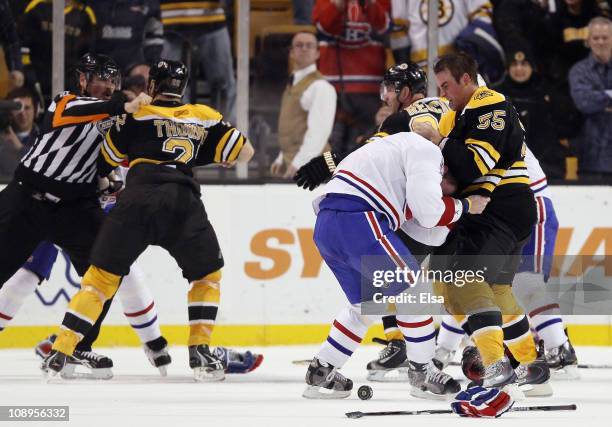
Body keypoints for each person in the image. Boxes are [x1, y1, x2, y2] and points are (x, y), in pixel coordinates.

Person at [42, 59, 255, 382]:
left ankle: (63, 348)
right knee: (206, 276)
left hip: (137, 198)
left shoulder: (134, 114)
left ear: (152, 86)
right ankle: (200, 352)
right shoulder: (203, 116)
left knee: (100, 279)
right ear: (181, 88)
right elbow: (245, 152)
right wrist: (203, 153)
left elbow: (106, 161)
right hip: (183, 201)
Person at [302, 129, 489, 399]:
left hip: (328, 225)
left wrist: (449, 214)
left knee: (365, 307)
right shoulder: (428, 153)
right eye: (450, 187)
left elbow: (426, 228)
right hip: (360, 220)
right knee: (415, 296)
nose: (446, 193)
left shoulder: (393, 152)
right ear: (445, 169)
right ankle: (423, 374)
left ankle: (322, 371)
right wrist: (465, 205)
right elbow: (429, 213)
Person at [0, 53, 150, 374]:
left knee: (109, 269)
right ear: (82, 80)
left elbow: (116, 150)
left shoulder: (114, 116)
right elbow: (94, 112)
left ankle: (78, 346)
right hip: (27, 198)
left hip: (75, 207)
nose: (106, 87)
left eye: (112, 81)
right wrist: (123, 107)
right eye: (99, 80)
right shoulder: (64, 103)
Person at [412, 52, 541, 390]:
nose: (443, 95)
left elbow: (472, 167)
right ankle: (531, 366)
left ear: (466, 80)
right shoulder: (459, 114)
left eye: (447, 86)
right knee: (490, 290)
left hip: (499, 207)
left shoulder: (490, 105)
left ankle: (496, 365)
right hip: (496, 210)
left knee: (461, 277)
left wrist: (438, 141)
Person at [313, 0, 391, 152]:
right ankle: (330, 175)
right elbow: (323, 29)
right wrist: (337, 5)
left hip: (370, 85)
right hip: (332, 85)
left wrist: (369, 4)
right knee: (331, 145)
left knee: (366, 144)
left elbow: (385, 28)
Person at [270, 31, 336, 179]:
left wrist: (299, 163)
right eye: (299, 45)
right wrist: (281, 158)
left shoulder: (321, 87)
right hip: (294, 160)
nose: (304, 49)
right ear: (292, 53)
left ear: (317, 53)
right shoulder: (292, 84)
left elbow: (319, 133)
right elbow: (293, 127)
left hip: (317, 164)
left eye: (309, 45)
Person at [493, 49, 568, 178]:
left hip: (547, 163)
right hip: (508, 166)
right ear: (507, 68)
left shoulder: (547, 90)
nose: (519, 69)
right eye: (514, 64)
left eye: (524, 64)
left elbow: (563, 124)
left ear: (532, 67)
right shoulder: (496, 94)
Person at [160, 0, 236, 122]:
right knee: (172, 85)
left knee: (223, 84)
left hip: (211, 18)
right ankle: (179, 131)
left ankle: (229, 135)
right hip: (171, 19)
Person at [569, 16, 612, 180]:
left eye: (605, 37)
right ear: (588, 40)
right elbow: (584, 102)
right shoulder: (578, 71)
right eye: (596, 38)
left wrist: (599, 97)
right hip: (591, 158)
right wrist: (609, 95)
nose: (601, 42)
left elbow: (591, 99)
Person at [89, 0, 164, 74]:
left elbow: (154, 36)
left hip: (133, 65)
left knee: (144, 73)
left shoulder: (148, 4)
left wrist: (150, 65)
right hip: (97, 63)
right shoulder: (90, 4)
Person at [0, 86, 39, 177]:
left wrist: (20, 148)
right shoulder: (2, 137)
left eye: (27, 108)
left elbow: (42, 165)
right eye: (17, 108)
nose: (22, 113)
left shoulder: (44, 137)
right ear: (9, 112)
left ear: (35, 110)